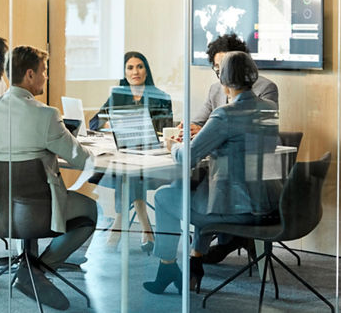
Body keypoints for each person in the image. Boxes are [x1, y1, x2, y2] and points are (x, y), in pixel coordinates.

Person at [0, 45, 97, 310]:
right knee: (90, 210)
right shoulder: (46, 114)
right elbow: (82, 159)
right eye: (44, 72)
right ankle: (36, 271)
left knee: (29, 194)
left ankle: (32, 267)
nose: (45, 77)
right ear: (29, 75)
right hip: (32, 211)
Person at [143, 51, 281, 296]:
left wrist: (172, 146)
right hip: (267, 205)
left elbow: (188, 156)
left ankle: (167, 266)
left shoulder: (224, 115)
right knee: (193, 191)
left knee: (164, 197)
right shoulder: (269, 108)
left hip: (234, 210)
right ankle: (194, 264)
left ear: (224, 81)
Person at [178, 33, 278, 263]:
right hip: (226, 174)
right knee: (199, 184)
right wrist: (196, 129)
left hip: (247, 181)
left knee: (180, 194)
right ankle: (202, 253)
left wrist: (187, 142)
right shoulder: (215, 90)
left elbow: (251, 131)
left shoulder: (266, 90)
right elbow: (200, 122)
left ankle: (192, 261)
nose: (220, 72)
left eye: (224, 65)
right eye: (216, 67)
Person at [91, 51, 172, 252]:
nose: (135, 71)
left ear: (146, 70)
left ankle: (118, 227)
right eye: (130, 67)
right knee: (128, 173)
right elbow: (94, 122)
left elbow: (164, 131)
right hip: (125, 157)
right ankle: (146, 228)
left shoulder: (160, 97)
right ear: (124, 72)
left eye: (139, 66)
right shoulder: (118, 94)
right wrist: (108, 123)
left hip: (152, 162)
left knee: (129, 175)